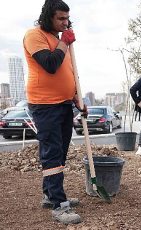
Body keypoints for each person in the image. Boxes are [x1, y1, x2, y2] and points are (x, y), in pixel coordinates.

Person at [23, 0, 85, 224]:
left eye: (67, 18)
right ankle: (59, 205)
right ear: (48, 16)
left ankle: (50, 195)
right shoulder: (34, 35)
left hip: (64, 103)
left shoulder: (59, 41)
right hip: (44, 104)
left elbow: (68, 72)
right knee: (52, 152)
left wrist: (77, 96)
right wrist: (65, 44)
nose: (65, 22)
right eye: (60, 18)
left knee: (59, 152)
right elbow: (50, 64)